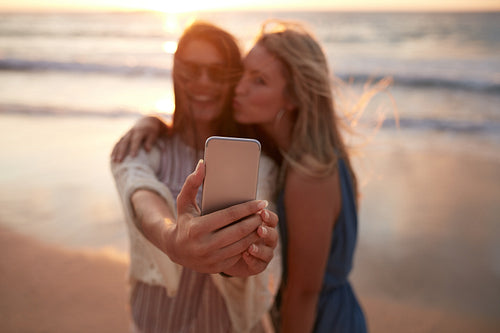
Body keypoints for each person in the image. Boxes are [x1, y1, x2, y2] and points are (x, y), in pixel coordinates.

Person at [115, 20, 368, 333]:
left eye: (258, 80)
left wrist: (234, 260)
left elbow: (302, 292)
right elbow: (140, 189)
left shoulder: (303, 172)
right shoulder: (273, 150)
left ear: (293, 98)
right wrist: (152, 122)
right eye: (243, 74)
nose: (239, 87)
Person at [111, 21, 281, 333]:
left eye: (217, 72)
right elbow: (140, 194)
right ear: (176, 73)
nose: (203, 82)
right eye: (191, 69)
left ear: (234, 80)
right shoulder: (142, 148)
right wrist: (171, 237)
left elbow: (257, 244)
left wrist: (237, 262)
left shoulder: (262, 163)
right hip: (155, 323)